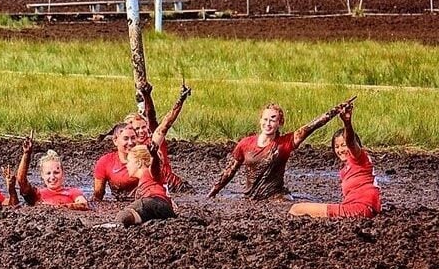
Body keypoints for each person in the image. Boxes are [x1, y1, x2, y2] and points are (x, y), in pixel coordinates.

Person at [207, 97, 356, 200]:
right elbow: (229, 172)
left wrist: (335, 111)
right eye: (265, 119)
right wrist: (212, 193)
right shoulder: (245, 143)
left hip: (276, 197)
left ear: (280, 123)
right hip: (251, 196)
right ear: (260, 121)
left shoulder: (285, 143)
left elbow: (312, 126)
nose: (268, 123)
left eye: (273, 119)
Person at [289, 103, 381, 218]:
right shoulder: (345, 169)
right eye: (337, 147)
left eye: (343, 145)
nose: (340, 150)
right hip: (357, 208)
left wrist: (347, 123)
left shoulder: (360, 158)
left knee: (296, 209)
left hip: (361, 208)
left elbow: (351, 142)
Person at [129, 81, 191, 193]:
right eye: (136, 129)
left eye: (143, 127)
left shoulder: (154, 142)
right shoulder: (128, 152)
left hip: (175, 188)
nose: (141, 131)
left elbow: (162, 122)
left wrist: (180, 100)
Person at [16, 132, 88, 210]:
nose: (52, 177)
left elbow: (83, 204)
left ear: (63, 173)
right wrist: (27, 154)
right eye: (48, 173)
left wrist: (57, 208)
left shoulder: (73, 192)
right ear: (42, 175)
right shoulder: (38, 194)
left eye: (56, 172)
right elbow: (21, 181)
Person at [114, 144, 177, 226]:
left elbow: (155, 167)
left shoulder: (150, 172)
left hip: (153, 201)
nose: (126, 165)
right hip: (166, 212)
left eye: (129, 161)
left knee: (123, 215)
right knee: (135, 220)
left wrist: (154, 156)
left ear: (139, 163)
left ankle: (113, 227)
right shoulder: (153, 179)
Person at [92, 123, 138, 201]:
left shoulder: (145, 158)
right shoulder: (105, 162)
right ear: (115, 141)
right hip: (120, 202)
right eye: (126, 139)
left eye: (133, 138)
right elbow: (98, 195)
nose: (130, 143)